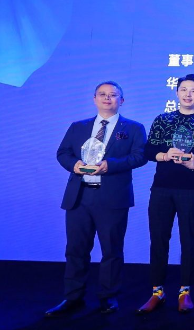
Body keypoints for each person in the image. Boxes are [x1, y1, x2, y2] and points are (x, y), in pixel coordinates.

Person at [47, 81, 147, 317]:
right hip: (79, 196)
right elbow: (63, 153)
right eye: (102, 94)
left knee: (111, 250)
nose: (107, 98)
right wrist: (74, 165)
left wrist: (110, 165)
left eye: (113, 95)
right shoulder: (78, 127)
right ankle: (73, 297)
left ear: (122, 100)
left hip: (112, 198)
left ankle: (108, 296)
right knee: (75, 249)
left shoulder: (134, 128)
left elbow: (140, 156)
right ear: (94, 99)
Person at [138, 74, 194, 314]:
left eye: (193, 91)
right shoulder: (163, 119)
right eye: (183, 89)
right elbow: (149, 150)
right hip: (162, 187)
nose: (188, 94)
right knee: (158, 239)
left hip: (191, 188)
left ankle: (185, 291)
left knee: (188, 240)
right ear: (176, 93)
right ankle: (157, 291)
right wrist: (165, 155)